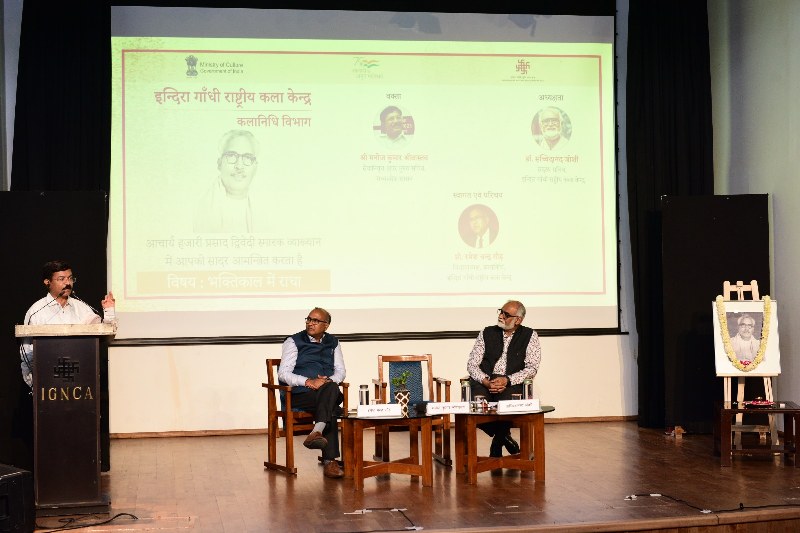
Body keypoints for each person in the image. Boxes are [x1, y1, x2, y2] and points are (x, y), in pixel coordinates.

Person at [20, 260, 116, 388]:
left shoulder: (82, 309)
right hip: (47, 384)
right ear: (47, 282)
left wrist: (109, 313)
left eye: (70, 278)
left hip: (81, 383)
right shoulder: (36, 312)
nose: (68, 283)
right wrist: (35, 384)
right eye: (61, 279)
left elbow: (105, 337)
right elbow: (27, 354)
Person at [466, 300, 542, 457]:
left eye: (506, 314)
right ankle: (504, 436)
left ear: (518, 320)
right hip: (485, 380)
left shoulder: (530, 336)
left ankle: (497, 443)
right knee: (475, 405)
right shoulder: (486, 332)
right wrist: (485, 381)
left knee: (507, 405)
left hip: (511, 382)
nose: (501, 316)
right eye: (500, 311)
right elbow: (472, 364)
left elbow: (532, 368)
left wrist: (507, 380)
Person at [278, 307, 346, 479]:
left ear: (326, 325)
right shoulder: (293, 341)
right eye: (309, 319)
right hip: (301, 394)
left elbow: (340, 371)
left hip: (325, 392)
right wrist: (308, 381)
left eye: (315, 321)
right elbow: (283, 374)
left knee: (330, 388)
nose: (310, 323)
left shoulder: (333, 342)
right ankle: (330, 461)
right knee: (332, 408)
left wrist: (327, 381)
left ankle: (317, 432)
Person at [193, 130, 259, 233]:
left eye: (247, 158)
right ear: (219, 164)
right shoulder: (198, 209)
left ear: (255, 168)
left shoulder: (267, 211)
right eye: (231, 156)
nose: (239, 166)